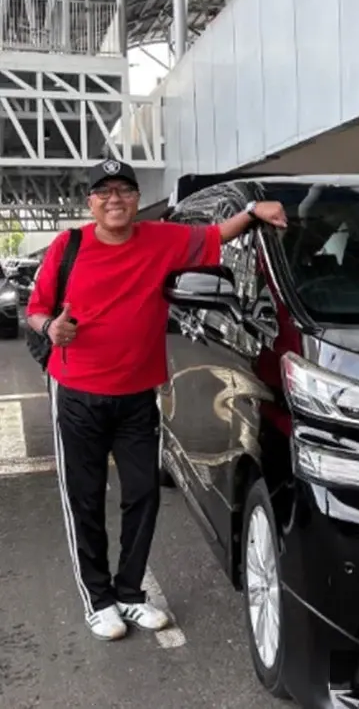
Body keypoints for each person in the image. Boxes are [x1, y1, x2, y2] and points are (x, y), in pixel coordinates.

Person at [26, 159, 287, 642]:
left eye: (124, 190)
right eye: (104, 192)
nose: (115, 199)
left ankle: (130, 594)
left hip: (137, 397)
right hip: (77, 392)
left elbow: (215, 236)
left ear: (135, 198)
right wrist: (51, 328)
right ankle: (98, 600)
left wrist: (252, 209)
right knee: (84, 500)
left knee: (142, 496)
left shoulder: (161, 240)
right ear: (91, 203)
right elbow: (36, 309)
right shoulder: (69, 246)